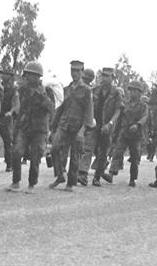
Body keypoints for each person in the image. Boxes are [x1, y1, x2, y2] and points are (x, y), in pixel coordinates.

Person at [7, 61, 54, 193]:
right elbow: (19, 108)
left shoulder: (46, 91)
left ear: (38, 77)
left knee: (35, 157)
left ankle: (31, 184)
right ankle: (15, 182)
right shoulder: (22, 90)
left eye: (32, 75)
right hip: (24, 126)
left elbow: (51, 109)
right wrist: (15, 129)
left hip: (40, 129)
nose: (28, 77)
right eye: (27, 74)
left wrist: (42, 96)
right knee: (16, 152)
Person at [49, 60, 93, 191]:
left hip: (78, 127)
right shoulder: (66, 89)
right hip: (64, 125)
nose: (74, 73)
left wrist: (83, 129)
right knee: (55, 148)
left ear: (82, 72)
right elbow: (61, 108)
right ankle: (60, 174)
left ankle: (70, 183)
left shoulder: (86, 90)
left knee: (75, 155)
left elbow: (89, 111)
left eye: (77, 71)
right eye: (72, 70)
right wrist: (53, 127)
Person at [108, 81, 148, 187]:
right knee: (117, 152)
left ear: (140, 93)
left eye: (135, 91)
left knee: (135, 157)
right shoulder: (125, 104)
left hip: (136, 135)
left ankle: (133, 178)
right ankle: (111, 174)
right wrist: (115, 133)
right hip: (124, 132)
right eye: (131, 90)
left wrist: (138, 125)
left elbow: (145, 117)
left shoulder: (143, 106)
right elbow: (120, 119)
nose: (132, 93)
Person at [91, 67, 123, 187]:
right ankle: (100, 170)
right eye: (103, 75)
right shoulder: (95, 90)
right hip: (94, 124)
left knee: (102, 151)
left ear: (112, 78)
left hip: (107, 126)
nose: (104, 78)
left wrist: (110, 124)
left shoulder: (116, 93)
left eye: (107, 76)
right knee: (91, 148)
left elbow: (118, 110)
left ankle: (97, 177)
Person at [76, 68, 96, 186]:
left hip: (89, 123)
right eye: (84, 79)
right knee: (76, 148)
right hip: (75, 121)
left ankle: (82, 174)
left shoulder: (92, 92)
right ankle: (73, 172)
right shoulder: (75, 89)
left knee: (87, 149)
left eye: (88, 80)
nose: (86, 81)